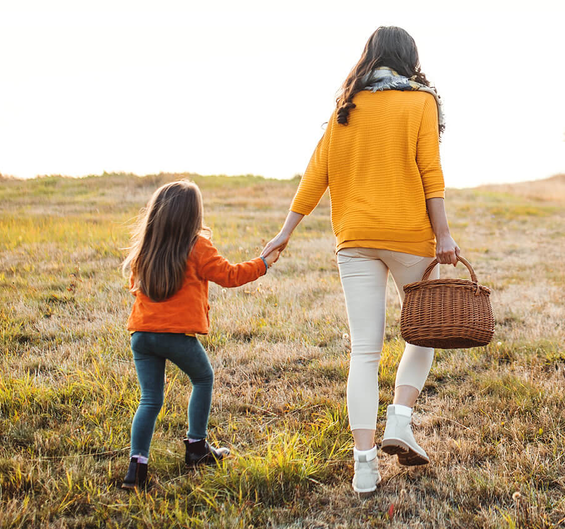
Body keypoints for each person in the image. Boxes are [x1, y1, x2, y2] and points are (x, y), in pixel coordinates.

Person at [260, 26, 460, 496]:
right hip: (409, 236)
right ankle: (400, 419)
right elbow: (430, 171)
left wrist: (286, 231)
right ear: (409, 57)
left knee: (364, 353)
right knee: (423, 335)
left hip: (354, 239)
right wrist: (445, 234)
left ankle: (364, 466)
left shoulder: (347, 106)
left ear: (369, 56)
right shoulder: (422, 102)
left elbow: (317, 173)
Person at [120, 180, 279, 491]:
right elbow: (230, 275)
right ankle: (196, 447)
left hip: (141, 334)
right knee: (203, 378)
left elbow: (134, 285)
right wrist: (262, 264)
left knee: (149, 400)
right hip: (175, 336)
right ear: (193, 215)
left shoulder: (147, 245)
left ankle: (136, 469)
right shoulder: (196, 246)